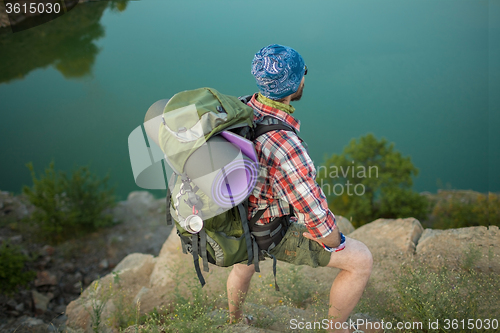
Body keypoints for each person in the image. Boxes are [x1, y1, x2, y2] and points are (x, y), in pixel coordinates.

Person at [226, 44, 374, 333]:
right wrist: (334, 241)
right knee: (360, 260)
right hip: (267, 228)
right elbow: (311, 209)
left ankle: (234, 321)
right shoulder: (284, 143)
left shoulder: (240, 108)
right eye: (302, 73)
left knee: (242, 265)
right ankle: (337, 329)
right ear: (295, 83)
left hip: (237, 215)